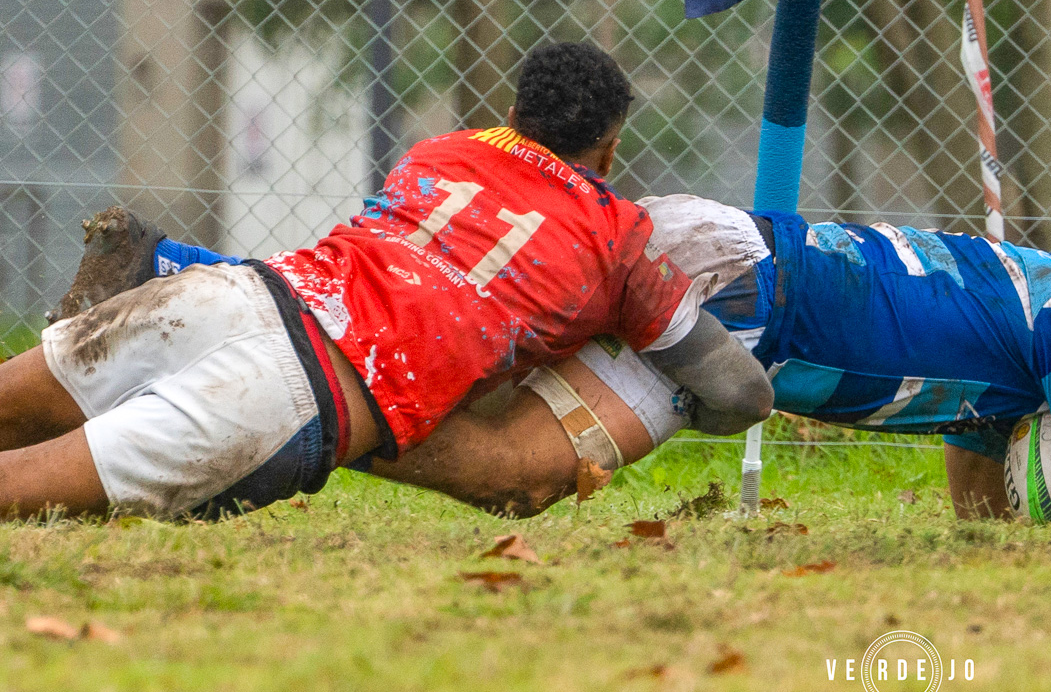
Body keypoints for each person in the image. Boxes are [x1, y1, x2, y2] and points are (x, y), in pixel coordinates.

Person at [0, 42, 770, 520]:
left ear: (512, 112)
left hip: (234, 295)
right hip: (291, 394)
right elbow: (740, 392)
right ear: (608, 151)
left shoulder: (442, 151)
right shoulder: (620, 240)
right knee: (19, 488)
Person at [120, 195, 1051, 522]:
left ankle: (169, 273)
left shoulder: (1022, 329)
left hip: (719, 259)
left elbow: (985, 515)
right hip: (732, 293)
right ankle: (281, 425)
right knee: (522, 465)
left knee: (440, 343)